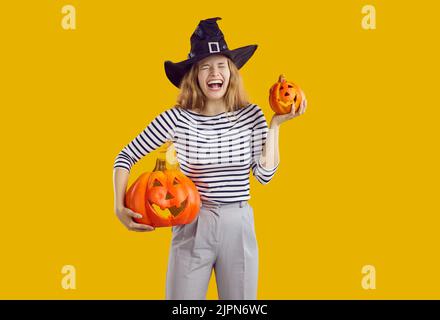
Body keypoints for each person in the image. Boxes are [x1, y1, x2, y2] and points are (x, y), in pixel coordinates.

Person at [112, 17, 307, 300]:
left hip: (238, 223)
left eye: (221, 65)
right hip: (192, 223)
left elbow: (264, 176)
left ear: (231, 72)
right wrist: (119, 207)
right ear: (194, 75)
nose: (214, 72)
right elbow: (126, 155)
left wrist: (275, 124)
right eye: (205, 67)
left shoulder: (251, 115)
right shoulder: (177, 118)